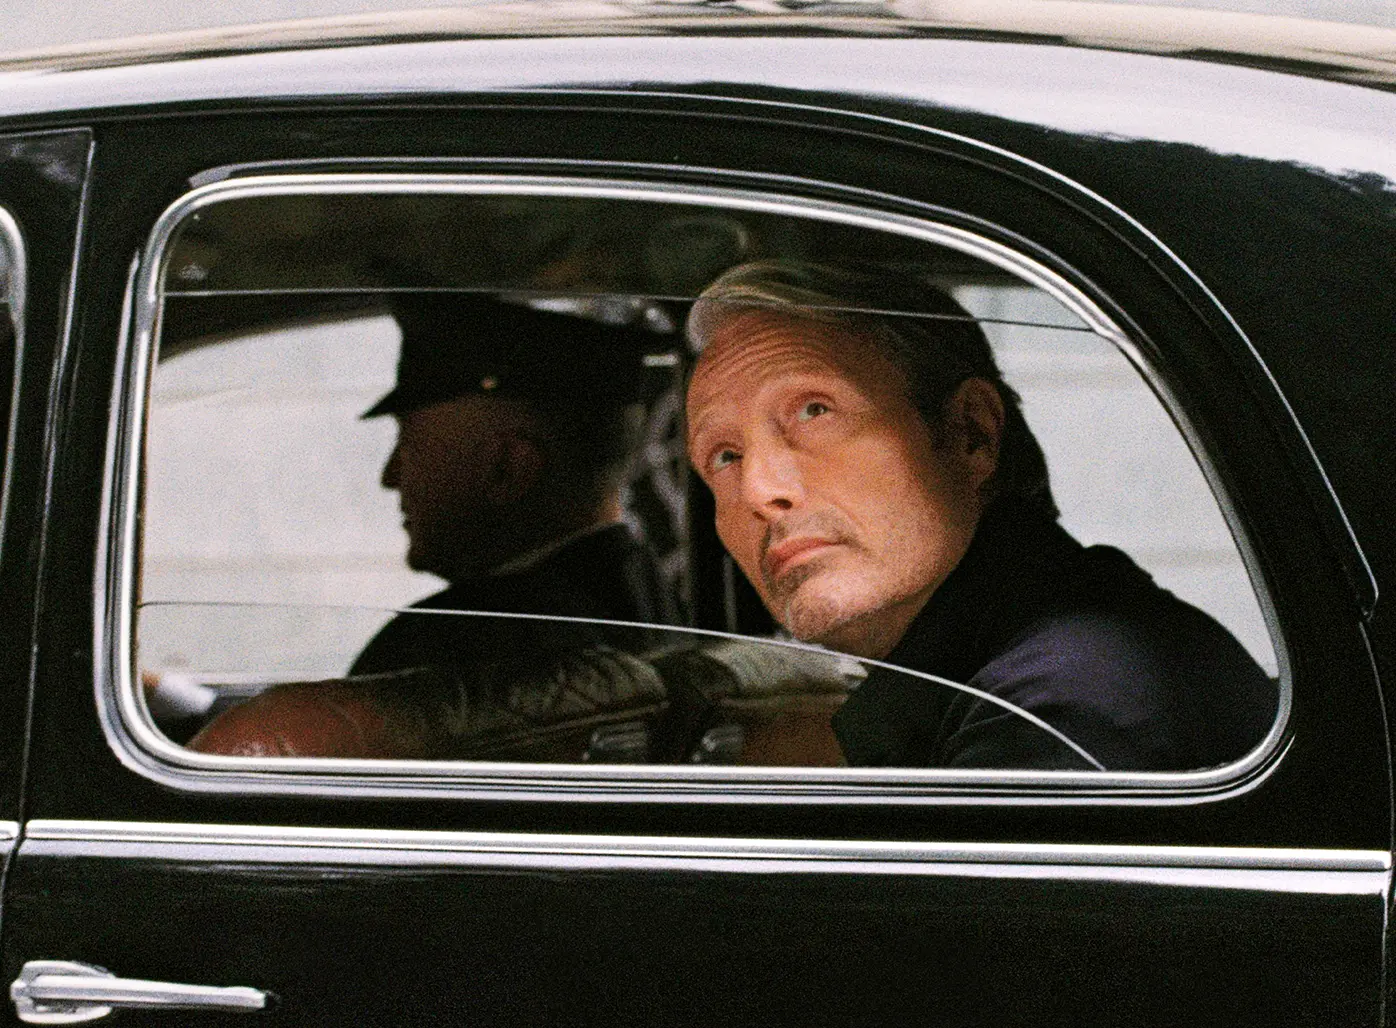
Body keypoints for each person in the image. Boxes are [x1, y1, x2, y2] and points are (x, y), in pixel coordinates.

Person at [683, 261, 1275, 771]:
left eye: (815, 411)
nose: (760, 490)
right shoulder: (1029, 661)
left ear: (971, 433)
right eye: (725, 457)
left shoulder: (1059, 708)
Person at [187, 294, 680, 759]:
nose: (389, 477)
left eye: (410, 446)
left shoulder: (448, 645)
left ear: (507, 467)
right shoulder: (648, 597)